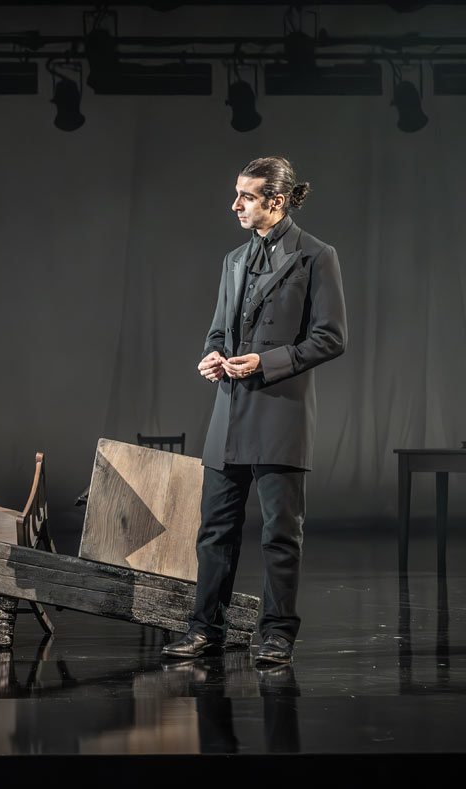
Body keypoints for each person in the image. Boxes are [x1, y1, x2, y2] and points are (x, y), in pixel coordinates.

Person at [162, 156, 346, 665]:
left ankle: (277, 634)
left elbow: (331, 338)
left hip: (280, 413)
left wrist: (264, 362)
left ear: (276, 201)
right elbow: (219, 327)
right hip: (229, 413)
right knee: (214, 531)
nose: (236, 204)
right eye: (237, 194)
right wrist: (212, 355)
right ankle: (206, 630)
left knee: (280, 533)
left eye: (246, 196)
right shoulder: (233, 260)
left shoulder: (315, 256)